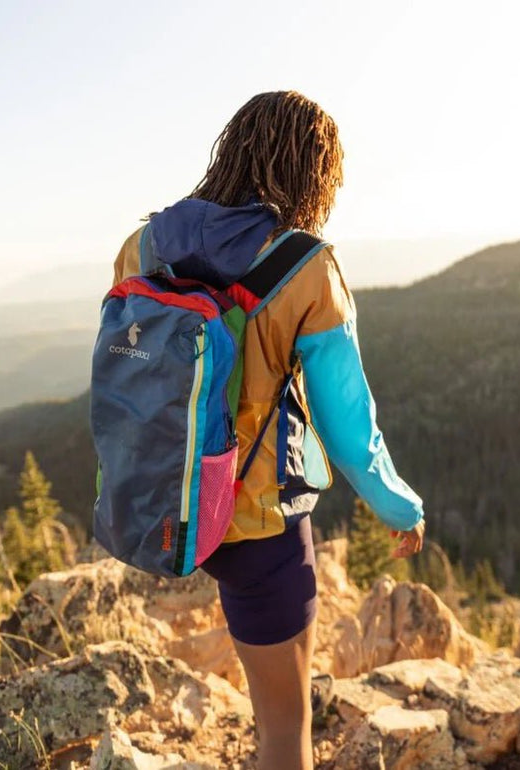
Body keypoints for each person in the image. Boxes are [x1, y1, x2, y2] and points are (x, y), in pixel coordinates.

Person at [111, 90, 425, 770]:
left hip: (169, 497)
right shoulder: (306, 266)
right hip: (258, 521)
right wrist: (400, 507)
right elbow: (347, 423)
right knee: (286, 731)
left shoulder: (143, 245)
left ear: (233, 148)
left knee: (282, 710)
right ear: (313, 172)